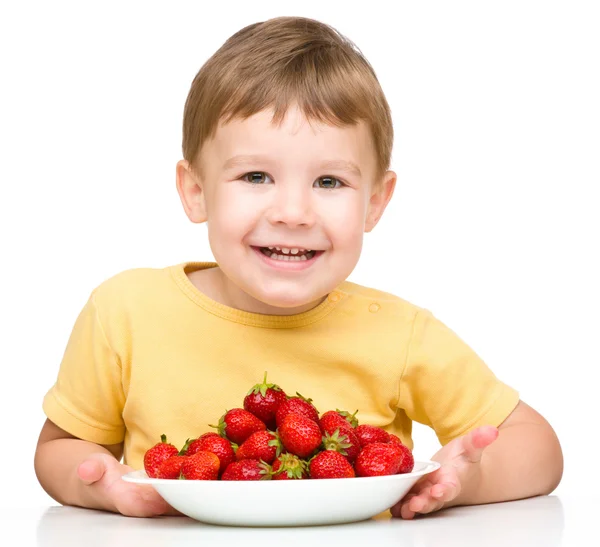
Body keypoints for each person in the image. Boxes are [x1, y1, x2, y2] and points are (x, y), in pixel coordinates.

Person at [34, 16, 563, 520]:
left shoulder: (399, 332)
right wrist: (103, 487)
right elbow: (61, 448)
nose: (292, 212)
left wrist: (465, 481)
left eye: (329, 182)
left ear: (375, 203)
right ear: (196, 192)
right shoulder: (126, 312)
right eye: (256, 176)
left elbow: (539, 448)